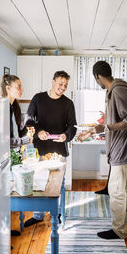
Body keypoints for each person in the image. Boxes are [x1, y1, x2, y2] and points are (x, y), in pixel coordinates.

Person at [78, 61, 127, 239]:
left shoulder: (119, 91)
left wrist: (105, 127)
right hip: (120, 148)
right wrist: (96, 128)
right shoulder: (111, 90)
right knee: (124, 189)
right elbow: (117, 118)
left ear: (97, 76)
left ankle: (119, 231)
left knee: (116, 191)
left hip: (124, 149)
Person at [24, 70, 77, 227]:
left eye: (65, 85)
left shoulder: (68, 103)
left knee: (59, 185)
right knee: (39, 183)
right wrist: (39, 131)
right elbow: (28, 119)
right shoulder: (38, 98)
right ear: (53, 81)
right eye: (60, 83)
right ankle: (38, 215)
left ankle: (59, 213)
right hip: (40, 150)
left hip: (59, 151)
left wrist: (66, 136)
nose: (62, 87)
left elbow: (72, 125)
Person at [0, 74, 30, 243]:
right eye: (18, 86)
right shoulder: (2, 107)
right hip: (5, 156)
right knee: (5, 194)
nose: (21, 89)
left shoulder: (14, 107)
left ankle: (6, 231)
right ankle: (2, 236)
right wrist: (23, 140)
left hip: (16, 154)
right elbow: (3, 139)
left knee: (11, 193)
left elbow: (17, 131)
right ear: (8, 88)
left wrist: (26, 126)